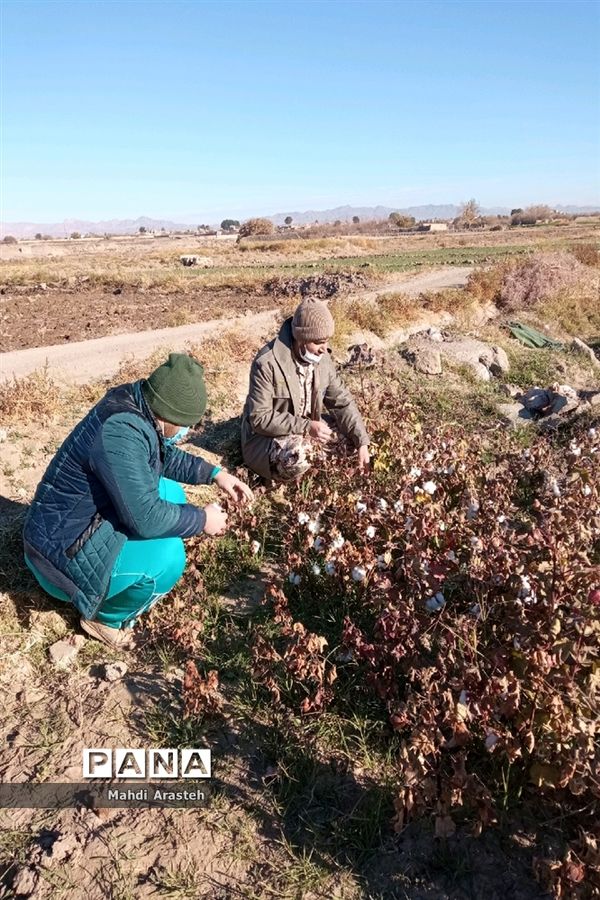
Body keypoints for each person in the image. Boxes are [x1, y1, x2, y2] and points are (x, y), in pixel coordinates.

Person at [23, 353, 253, 650]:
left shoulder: (134, 407)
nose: (187, 431)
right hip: (56, 560)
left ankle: (114, 583)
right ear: (168, 416)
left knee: (172, 493)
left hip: (68, 529)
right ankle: (103, 618)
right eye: (185, 425)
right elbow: (146, 518)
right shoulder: (120, 434)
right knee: (168, 559)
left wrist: (215, 474)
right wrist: (202, 520)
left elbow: (161, 456)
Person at [241, 298, 370, 481]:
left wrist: (361, 442)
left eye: (326, 341)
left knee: (351, 441)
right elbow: (259, 418)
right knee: (298, 456)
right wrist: (306, 426)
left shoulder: (322, 359)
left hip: (307, 427)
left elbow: (341, 401)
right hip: (266, 438)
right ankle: (286, 482)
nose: (323, 349)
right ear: (301, 339)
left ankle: (317, 474)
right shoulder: (267, 363)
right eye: (318, 342)